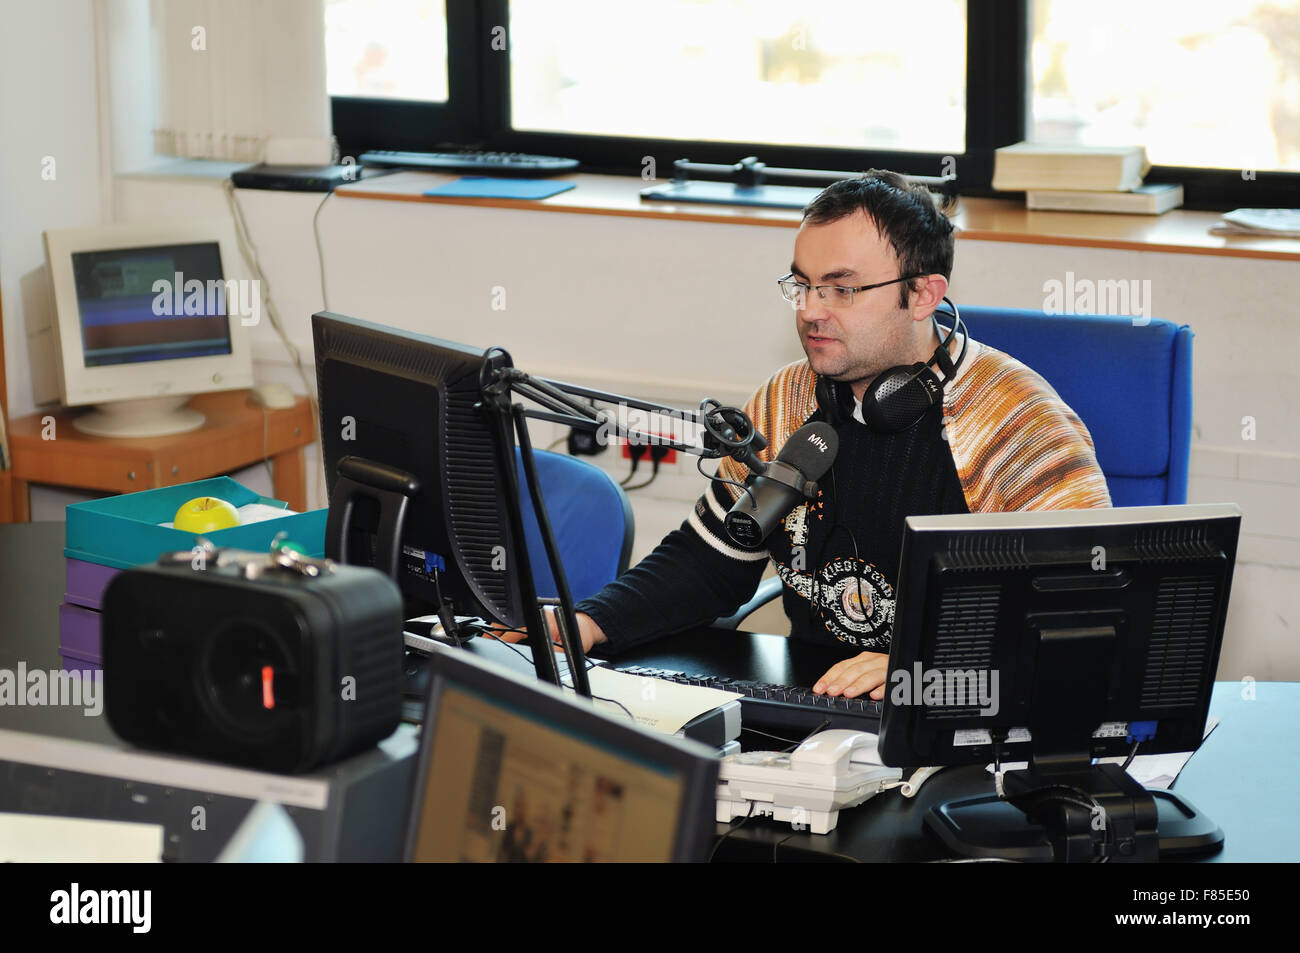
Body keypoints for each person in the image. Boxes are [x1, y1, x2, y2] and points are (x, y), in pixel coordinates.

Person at [533, 171, 1111, 701]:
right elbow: (711, 561)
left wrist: (927, 664)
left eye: (842, 289)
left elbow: (1082, 616)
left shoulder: (1015, 421)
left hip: (961, 717)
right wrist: (588, 622)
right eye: (803, 285)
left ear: (924, 295)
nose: (811, 310)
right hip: (819, 708)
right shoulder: (789, 399)